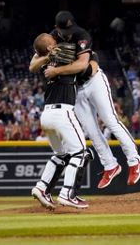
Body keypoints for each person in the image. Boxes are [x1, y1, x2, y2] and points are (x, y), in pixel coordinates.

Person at [44, 11, 140, 189]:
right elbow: (37, 59)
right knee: (91, 130)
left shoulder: (81, 35)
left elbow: (84, 65)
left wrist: (57, 70)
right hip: (76, 88)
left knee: (111, 121)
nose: (68, 32)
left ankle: (134, 160)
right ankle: (110, 166)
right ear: (56, 28)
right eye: (64, 30)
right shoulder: (51, 39)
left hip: (94, 81)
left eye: (70, 28)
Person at [29, 32, 90, 210]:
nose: (56, 40)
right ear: (49, 47)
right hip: (63, 112)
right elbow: (81, 62)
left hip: (47, 115)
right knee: (81, 153)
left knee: (61, 155)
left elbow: (33, 63)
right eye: (52, 40)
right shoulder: (61, 54)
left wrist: (47, 55)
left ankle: (41, 188)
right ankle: (67, 194)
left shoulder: (44, 62)